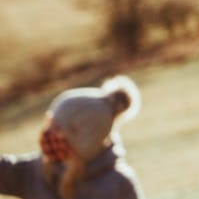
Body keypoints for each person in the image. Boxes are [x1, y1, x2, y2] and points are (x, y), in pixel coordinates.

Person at [0, 75, 145, 199]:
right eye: (50, 122)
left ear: (82, 142)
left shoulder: (118, 186)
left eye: (57, 128)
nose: (48, 133)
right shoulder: (35, 172)